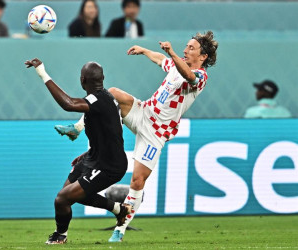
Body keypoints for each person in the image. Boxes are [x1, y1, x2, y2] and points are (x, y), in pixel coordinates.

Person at [55, 31, 218, 242]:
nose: (186, 50)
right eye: (186, 47)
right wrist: (144, 51)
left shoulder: (200, 76)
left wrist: (172, 52)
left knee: (138, 180)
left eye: (191, 48)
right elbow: (161, 60)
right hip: (144, 112)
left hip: (156, 133)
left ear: (203, 57)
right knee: (111, 93)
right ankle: (78, 127)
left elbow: (189, 75)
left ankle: (120, 229)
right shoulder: (175, 66)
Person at [24, 58, 131, 244]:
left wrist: (42, 72)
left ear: (82, 80)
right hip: (96, 157)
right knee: (67, 194)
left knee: (62, 199)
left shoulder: (98, 100)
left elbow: (68, 104)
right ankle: (118, 209)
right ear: (102, 78)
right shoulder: (104, 98)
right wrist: (89, 153)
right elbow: (110, 132)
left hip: (109, 166)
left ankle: (60, 236)